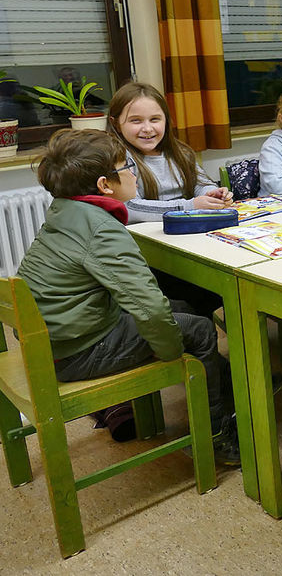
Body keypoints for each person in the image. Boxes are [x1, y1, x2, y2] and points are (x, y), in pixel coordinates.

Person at [16, 129, 240, 465]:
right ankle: (214, 439)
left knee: (182, 309)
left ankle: (228, 392)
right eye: (127, 168)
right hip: (77, 350)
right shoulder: (103, 228)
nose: (134, 173)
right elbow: (148, 308)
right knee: (201, 331)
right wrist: (170, 352)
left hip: (57, 339)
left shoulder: (65, 210)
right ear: (105, 185)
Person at [108, 82, 230, 318]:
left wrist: (210, 193)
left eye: (155, 119)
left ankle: (198, 335)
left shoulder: (180, 152)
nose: (147, 128)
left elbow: (200, 183)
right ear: (115, 122)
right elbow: (129, 206)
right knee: (202, 293)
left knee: (223, 281)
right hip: (151, 258)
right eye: (135, 121)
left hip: (191, 243)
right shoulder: (118, 159)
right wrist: (189, 206)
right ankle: (191, 337)